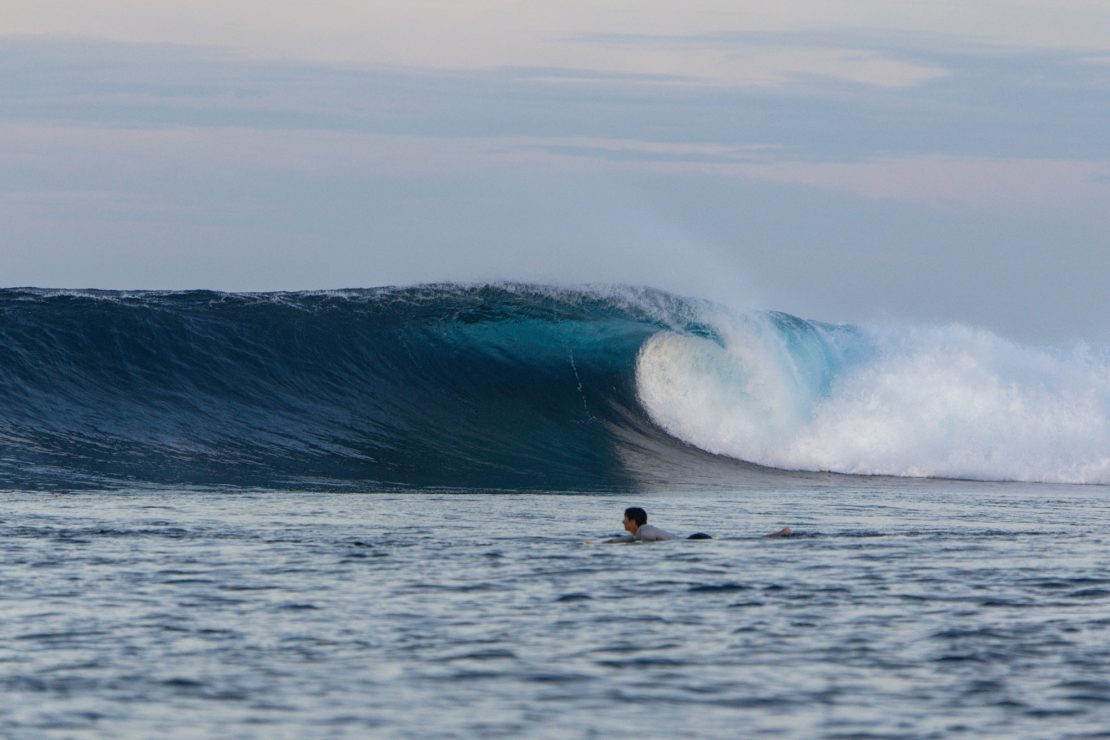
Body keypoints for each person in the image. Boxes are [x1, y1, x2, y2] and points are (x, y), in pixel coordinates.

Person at [603, 507, 791, 543]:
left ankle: (777, 534)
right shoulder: (642, 531)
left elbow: (646, 539)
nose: (622, 522)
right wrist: (612, 542)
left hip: (694, 541)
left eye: (625, 518)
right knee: (733, 540)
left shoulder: (645, 532)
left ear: (633, 521)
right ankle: (777, 534)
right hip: (693, 539)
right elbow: (633, 539)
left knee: (738, 540)